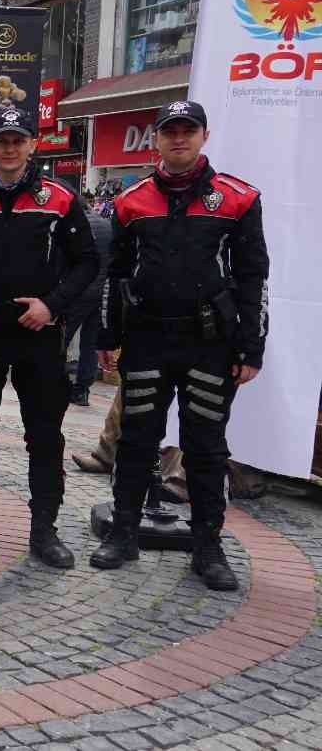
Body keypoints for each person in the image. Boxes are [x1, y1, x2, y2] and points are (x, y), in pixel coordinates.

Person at [91, 100, 269, 591]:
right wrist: (108, 336)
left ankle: (208, 547)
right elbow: (116, 274)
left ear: (204, 137)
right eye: (170, 131)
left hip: (210, 343)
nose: (179, 140)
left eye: (188, 131)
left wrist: (250, 348)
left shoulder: (238, 198)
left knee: (206, 447)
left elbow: (254, 277)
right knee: (136, 440)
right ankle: (123, 533)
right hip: (147, 338)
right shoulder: (130, 201)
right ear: (157, 140)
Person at [0, 107, 97, 568]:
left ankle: (43, 530)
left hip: (39, 335)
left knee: (44, 436)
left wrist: (53, 304)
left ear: (32, 145)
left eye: (18, 140)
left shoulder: (60, 198)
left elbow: (88, 262)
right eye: (1, 140)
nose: (9, 148)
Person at [64, 193, 112, 406]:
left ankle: (58, 384)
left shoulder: (74, 225)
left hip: (76, 293)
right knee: (90, 344)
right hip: (98, 293)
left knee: (60, 342)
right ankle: (82, 390)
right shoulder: (107, 226)